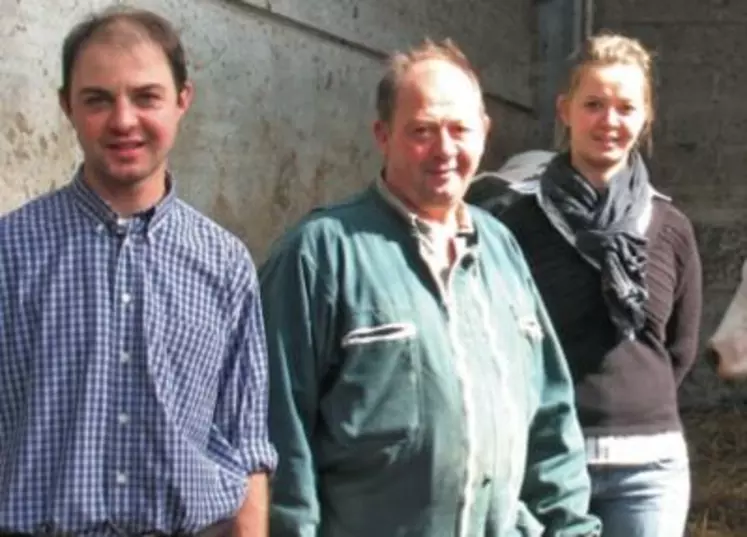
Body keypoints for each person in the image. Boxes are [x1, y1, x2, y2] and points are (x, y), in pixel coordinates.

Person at [259, 38, 601, 537]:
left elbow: (550, 415)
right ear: (383, 135)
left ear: (483, 132)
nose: (444, 149)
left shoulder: (500, 248)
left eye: (459, 129)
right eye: (421, 131)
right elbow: (278, 435)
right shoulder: (323, 254)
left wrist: (570, 528)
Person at [0, 7, 276, 536]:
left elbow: (247, 450)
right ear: (67, 107)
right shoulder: (10, 254)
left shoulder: (225, 264)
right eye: (98, 99)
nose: (123, 120)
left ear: (182, 101)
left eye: (146, 96)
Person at [468, 33, 702, 537]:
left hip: (650, 471)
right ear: (565, 110)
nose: (609, 121)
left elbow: (678, 350)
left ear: (645, 119)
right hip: (546, 464)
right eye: (593, 104)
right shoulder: (514, 219)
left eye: (625, 107)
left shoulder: (670, 225)